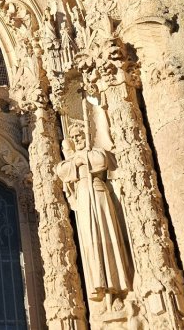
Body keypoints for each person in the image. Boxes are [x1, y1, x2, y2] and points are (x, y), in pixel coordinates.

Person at [55, 123, 132, 302]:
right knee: (90, 239)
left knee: (106, 234)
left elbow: (101, 161)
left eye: (80, 135)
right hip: (83, 194)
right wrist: (75, 158)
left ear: (86, 135)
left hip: (98, 191)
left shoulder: (96, 151)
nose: (77, 139)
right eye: (74, 137)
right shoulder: (73, 157)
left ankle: (117, 285)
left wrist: (83, 157)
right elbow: (62, 171)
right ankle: (98, 284)